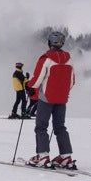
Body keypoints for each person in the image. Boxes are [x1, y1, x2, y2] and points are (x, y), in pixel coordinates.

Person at [26, 31, 76, 168]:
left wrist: (28, 86)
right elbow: (72, 81)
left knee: (41, 127)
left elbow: (37, 79)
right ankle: (66, 157)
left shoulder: (46, 58)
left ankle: (43, 156)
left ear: (49, 43)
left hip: (46, 98)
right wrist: (63, 93)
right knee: (60, 127)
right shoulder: (69, 59)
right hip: (62, 99)